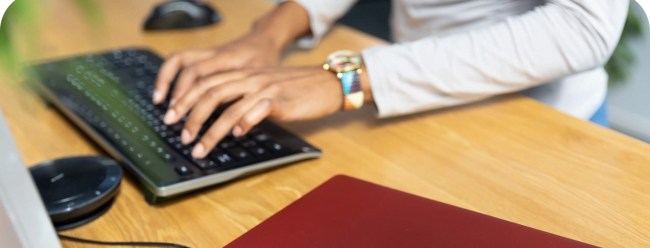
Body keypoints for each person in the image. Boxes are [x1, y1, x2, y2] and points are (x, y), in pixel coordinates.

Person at [153, 0, 629, 160]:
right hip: (411, 110)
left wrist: (349, 78)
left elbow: (583, 26)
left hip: (537, 129)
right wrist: (269, 33)